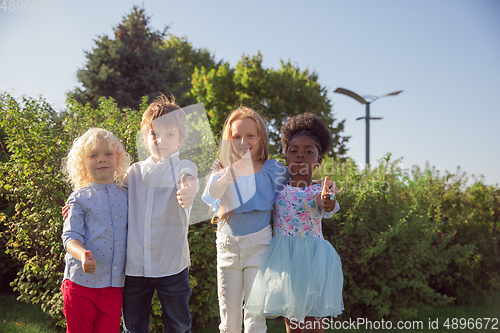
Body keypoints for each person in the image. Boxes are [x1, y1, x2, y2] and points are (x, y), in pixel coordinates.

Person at [245, 113, 344, 333]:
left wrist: (327, 198)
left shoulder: (320, 189)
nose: (300, 155)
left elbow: (325, 204)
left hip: (313, 262)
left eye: (308, 151)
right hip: (285, 263)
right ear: (286, 156)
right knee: (294, 326)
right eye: (294, 151)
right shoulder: (277, 188)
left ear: (318, 161)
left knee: (314, 323)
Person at [202, 106, 290, 333]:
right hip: (227, 247)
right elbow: (209, 196)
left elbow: (300, 185)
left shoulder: (272, 170)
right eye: (236, 136)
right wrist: (225, 179)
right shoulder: (221, 170)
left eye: (250, 135)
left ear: (260, 138)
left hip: (259, 246)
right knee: (229, 318)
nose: (243, 141)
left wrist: (325, 188)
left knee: (255, 315)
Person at [121, 94, 198, 333]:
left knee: (178, 326)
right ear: (145, 139)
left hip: (172, 266)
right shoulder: (134, 172)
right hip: (135, 267)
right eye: (154, 134)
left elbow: (190, 179)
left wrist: (189, 190)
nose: (161, 140)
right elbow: (112, 198)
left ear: (180, 140)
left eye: (170, 134)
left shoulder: (184, 167)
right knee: (133, 327)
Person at [61, 128, 131, 333]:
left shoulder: (128, 196)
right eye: (93, 155)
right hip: (80, 285)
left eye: (108, 154)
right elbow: (70, 237)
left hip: (113, 287)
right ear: (82, 164)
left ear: (117, 159)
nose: (102, 159)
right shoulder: (78, 198)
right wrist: (82, 255)